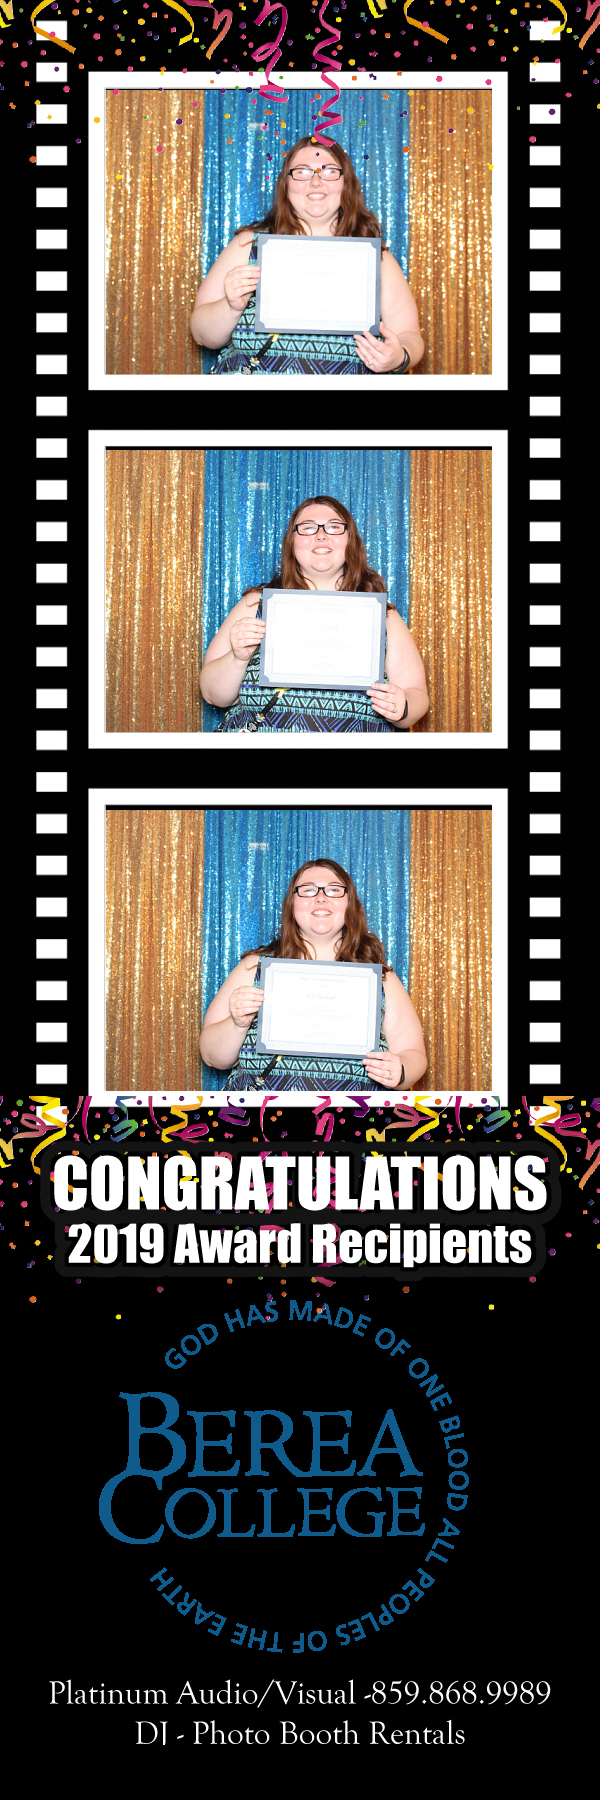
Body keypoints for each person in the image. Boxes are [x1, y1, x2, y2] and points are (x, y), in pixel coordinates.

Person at [190, 135, 423, 377]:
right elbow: (201, 334)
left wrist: (399, 357)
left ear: (346, 182)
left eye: (329, 171)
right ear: (286, 183)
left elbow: (410, 336)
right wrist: (230, 307)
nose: (316, 182)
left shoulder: (375, 258)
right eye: (302, 172)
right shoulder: (248, 245)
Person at [199, 495, 429, 733]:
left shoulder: (382, 616)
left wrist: (402, 706)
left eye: (334, 527)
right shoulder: (255, 605)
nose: (321, 535)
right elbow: (212, 694)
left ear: (351, 540)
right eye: (308, 528)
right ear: (291, 542)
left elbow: (417, 695)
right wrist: (238, 658)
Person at [199, 859, 427, 1092]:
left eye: (334, 890)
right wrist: (237, 1024)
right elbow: (211, 1056)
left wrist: (400, 1071)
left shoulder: (380, 979)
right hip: (257, 1113)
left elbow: (413, 1054)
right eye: (308, 890)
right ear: (291, 903)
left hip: (355, 1114)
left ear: (350, 903)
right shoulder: (254, 968)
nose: (321, 898)